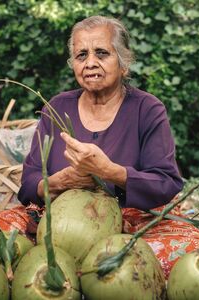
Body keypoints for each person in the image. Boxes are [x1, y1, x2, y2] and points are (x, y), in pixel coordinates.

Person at [18, 15, 184, 210]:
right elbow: (28, 183)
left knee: (188, 240)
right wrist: (59, 182)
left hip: (130, 223)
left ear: (124, 64)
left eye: (101, 53)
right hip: (59, 220)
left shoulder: (147, 109)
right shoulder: (57, 108)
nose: (90, 63)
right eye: (81, 55)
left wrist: (108, 171)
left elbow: (166, 183)